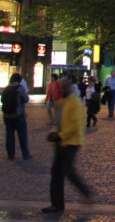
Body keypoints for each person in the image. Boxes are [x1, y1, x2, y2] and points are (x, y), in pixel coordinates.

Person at [43, 79, 92, 214]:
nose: (61, 91)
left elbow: (75, 126)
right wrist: (53, 133)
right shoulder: (62, 103)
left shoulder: (75, 103)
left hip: (72, 142)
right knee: (58, 173)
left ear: (69, 89)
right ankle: (57, 204)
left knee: (66, 171)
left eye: (63, 88)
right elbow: (59, 123)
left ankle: (85, 192)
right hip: (62, 141)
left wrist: (60, 136)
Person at [2, 72, 31, 161]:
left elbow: (2, 100)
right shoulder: (20, 88)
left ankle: (11, 155)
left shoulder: (6, 88)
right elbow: (26, 99)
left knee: (9, 135)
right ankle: (25, 154)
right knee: (22, 134)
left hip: (7, 115)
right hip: (18, 115)